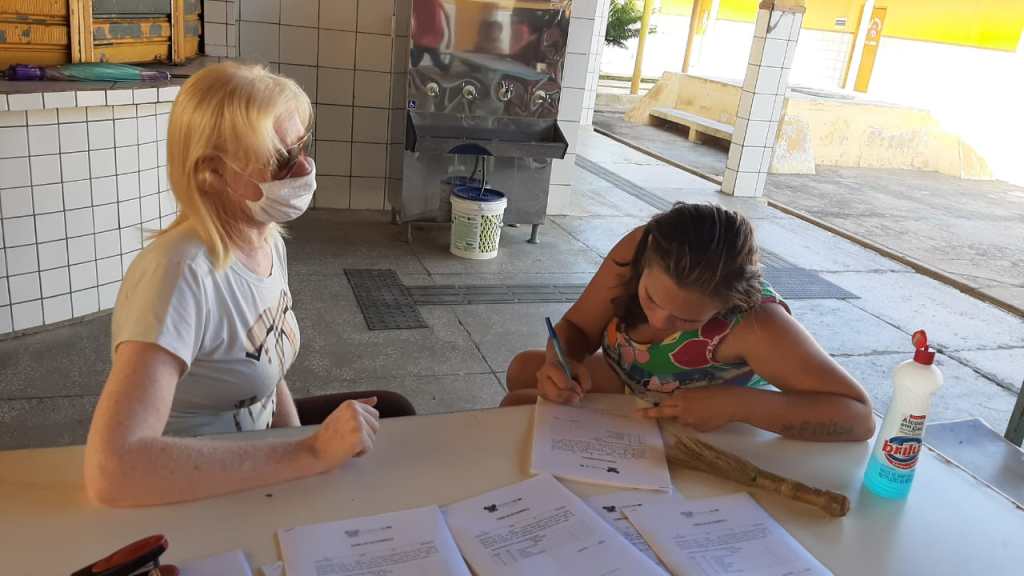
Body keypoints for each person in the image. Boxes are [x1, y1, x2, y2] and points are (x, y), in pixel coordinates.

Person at [84, 62, 414, 507]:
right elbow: (113, 471)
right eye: (281, 160)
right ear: (213, 173)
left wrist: (303, 455)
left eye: (302, 146)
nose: (304, 167)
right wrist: (310, 452)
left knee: (394, 413)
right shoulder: (178, 274)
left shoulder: (265, 238)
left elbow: (266, 366)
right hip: (194, 490)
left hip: (258, 450)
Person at [502, 203, 876, 442]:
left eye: (685, 319)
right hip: (638, 379)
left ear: (729, 303)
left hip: (705, 418)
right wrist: (559, 362)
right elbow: (580, 328)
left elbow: (858, 418)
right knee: (525, 369)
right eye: (649, 297)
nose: (659, 320)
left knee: (518, 408)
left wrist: (736, 405)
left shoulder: (757, 323)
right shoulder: (639, 247)